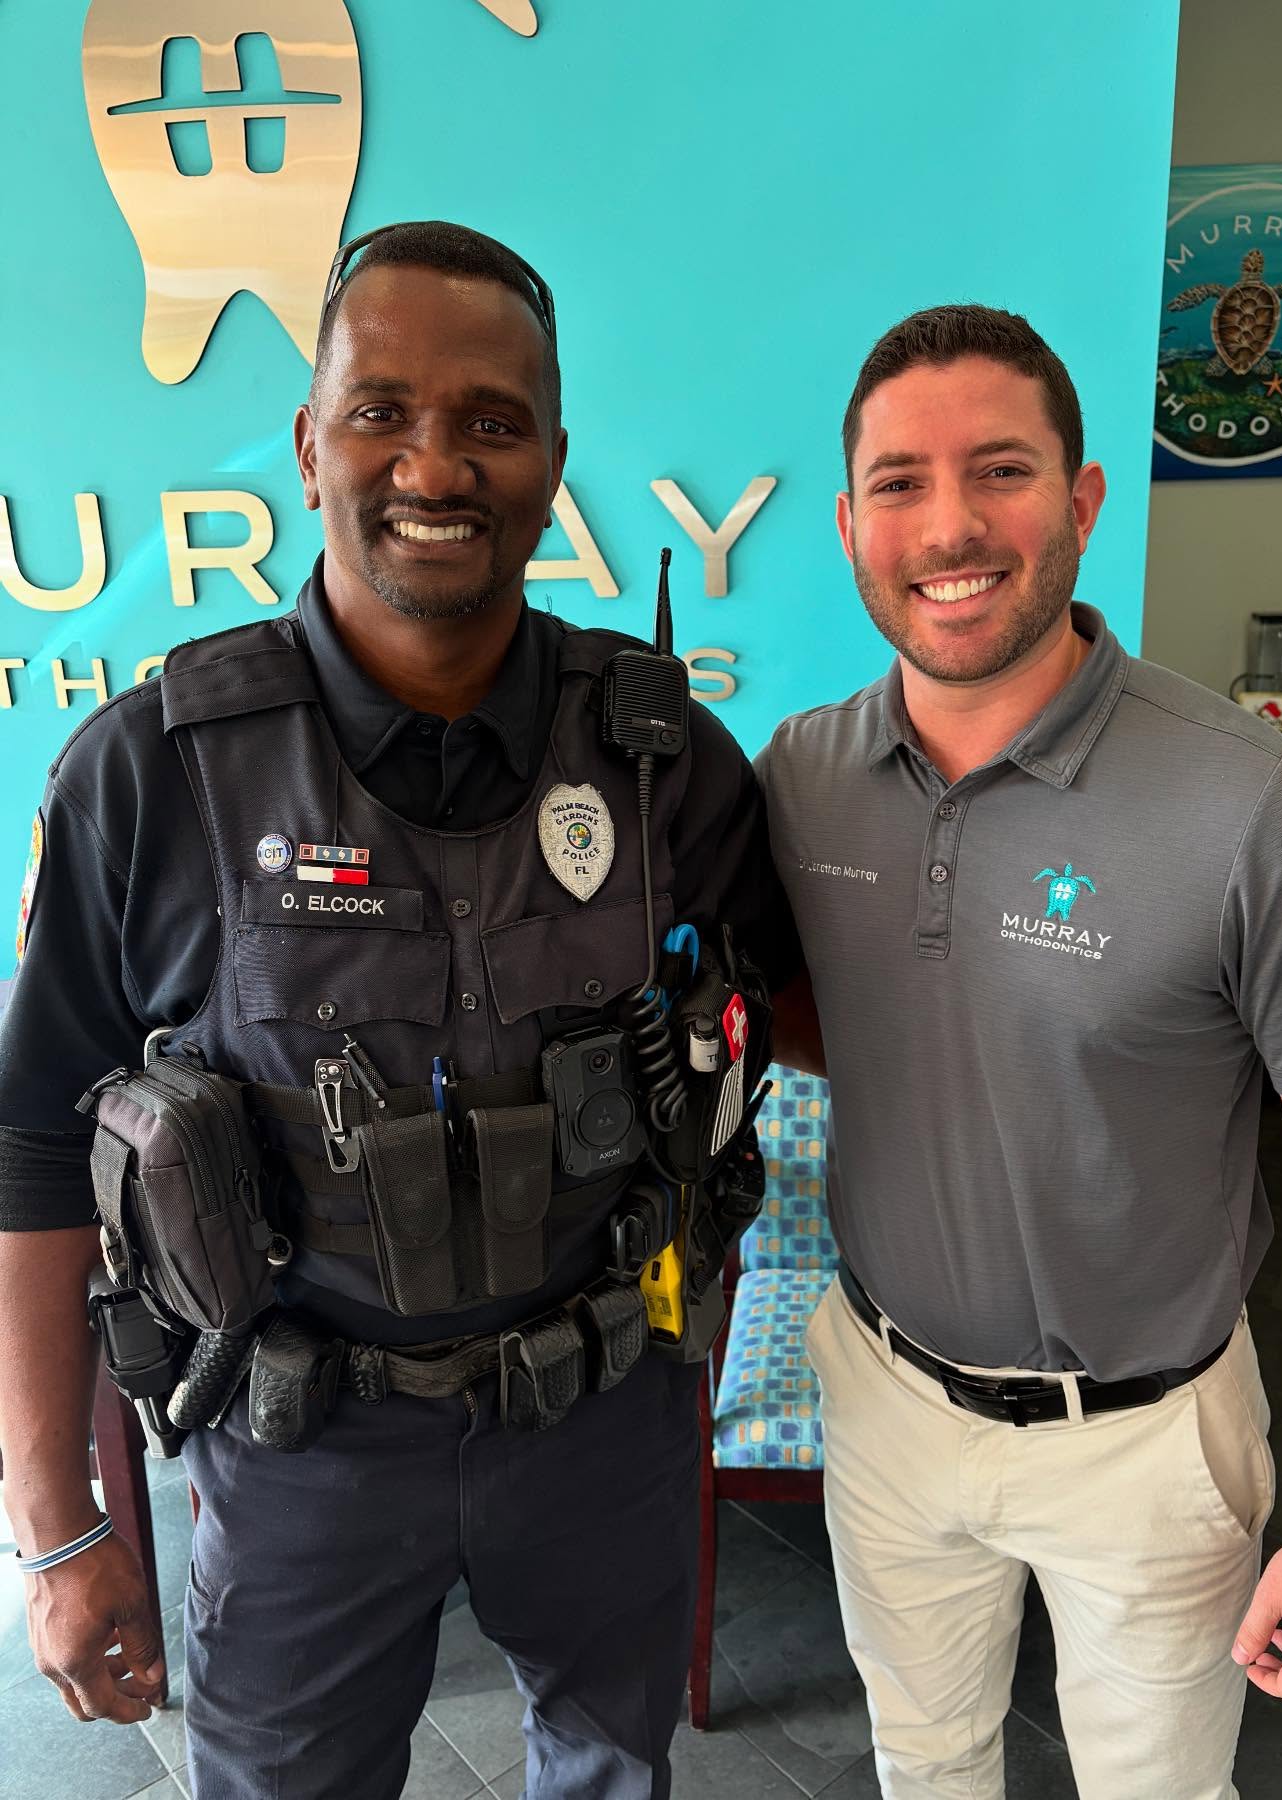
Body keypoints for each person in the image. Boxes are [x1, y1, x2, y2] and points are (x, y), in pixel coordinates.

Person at [0, 220, 794, 1800]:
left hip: (602, 1422)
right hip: (301, 1453)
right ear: (310, 446)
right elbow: (32, 1152)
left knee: (612, 1773)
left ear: (552, 462)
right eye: (383, 411)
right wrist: (57, 1527)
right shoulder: (151, 772)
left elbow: (785, 1009)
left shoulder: (660, 761)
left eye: (493, 420)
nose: (437, 464)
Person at [760, 304, 1282, 1800]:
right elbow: (836, 1015)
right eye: (899, 483)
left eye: (1000, 471)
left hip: (1148, 1444)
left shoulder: (1260, 807)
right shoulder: (804, 776)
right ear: (851, 525)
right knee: (922, 1767)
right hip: (884, 1395)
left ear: (1080, 501)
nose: (950, 526)